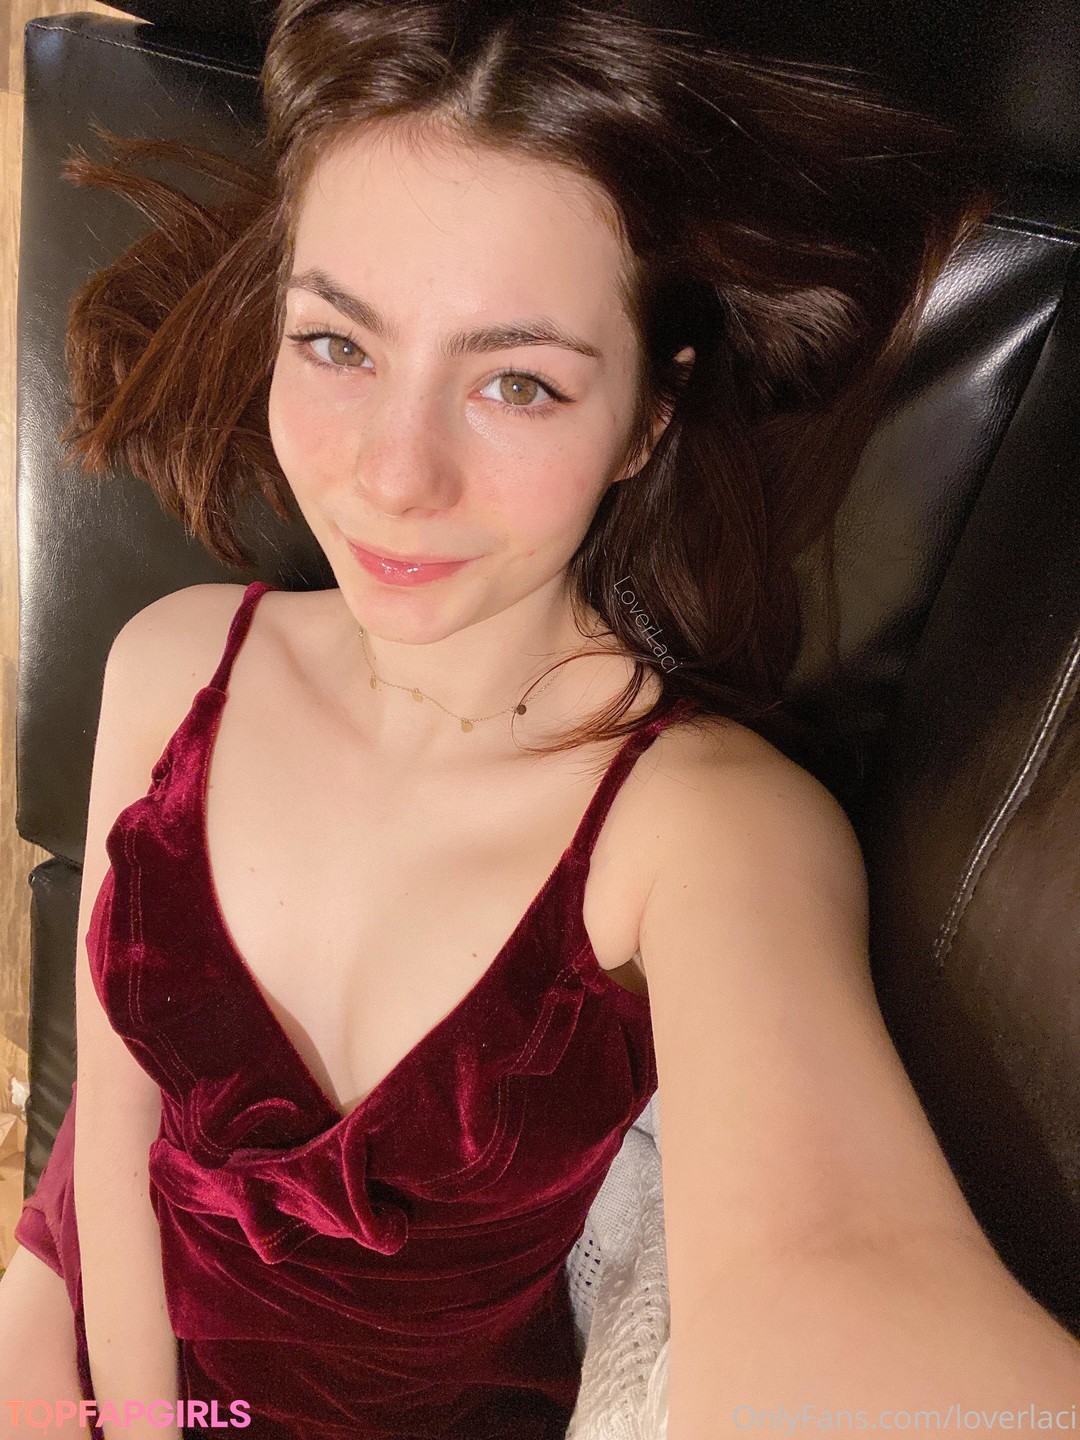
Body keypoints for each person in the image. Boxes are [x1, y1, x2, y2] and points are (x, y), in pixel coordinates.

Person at [1, 1, 1078, 1437]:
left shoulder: (703, 830)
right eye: (337, 344)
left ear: (646, 416)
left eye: (517, 383)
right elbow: (114, 1131)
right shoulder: (170, 663)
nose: (395, 475)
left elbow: (838, 1257)